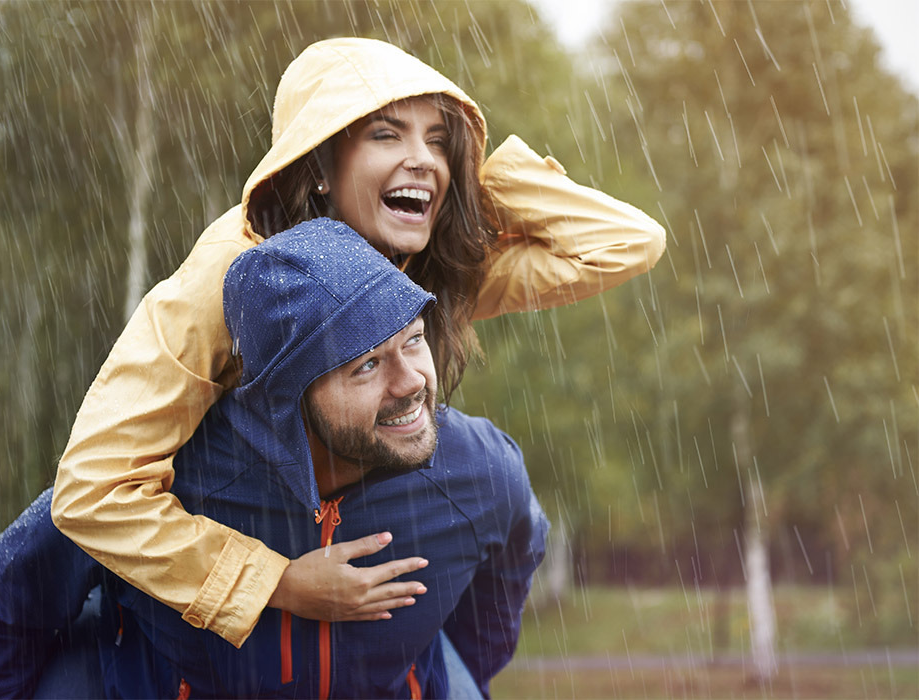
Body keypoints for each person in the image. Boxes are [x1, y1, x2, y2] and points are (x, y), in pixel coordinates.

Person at [50, 36, 666, 649]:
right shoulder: (225, 280)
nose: (424, 157)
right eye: (386, 134)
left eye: (437, 139)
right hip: (198, 631)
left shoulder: (422, 265)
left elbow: (625, 242)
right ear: (318, 167)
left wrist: (469, 184)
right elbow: (93, 492)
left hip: (372, 596)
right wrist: (278, 583)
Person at [0, 219, 547, 698]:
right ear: (287, 396)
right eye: (365, 365)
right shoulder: (157, 481)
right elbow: (4, 599)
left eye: (413, 340)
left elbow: (498, 599)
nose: (411, 383)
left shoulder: (479, 471)